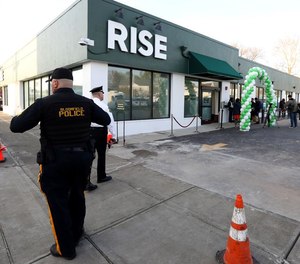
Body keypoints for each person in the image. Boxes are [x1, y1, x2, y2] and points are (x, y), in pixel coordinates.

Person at [10, 68, 111, 260]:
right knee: (77, 197)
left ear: (54, 83)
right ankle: (77, 232)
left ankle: (66, 249)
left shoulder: (44, 104)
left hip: (55, 162)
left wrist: (17, 116)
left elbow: (16, 126)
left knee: (58, 203)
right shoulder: (86, 103)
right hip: (82, 162)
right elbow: (105, 119)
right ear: (71, 83)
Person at [85, 86, 117, 191]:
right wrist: (113, 136)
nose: (103, 95)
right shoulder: (104, 106)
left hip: (88, 132)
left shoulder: (87, 105)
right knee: (101, 155)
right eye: (102, 93)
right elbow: (110, 122)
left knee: (89, 156)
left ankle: (86, 182)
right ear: (99, 94)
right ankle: (101, 176)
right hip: (101, 132)